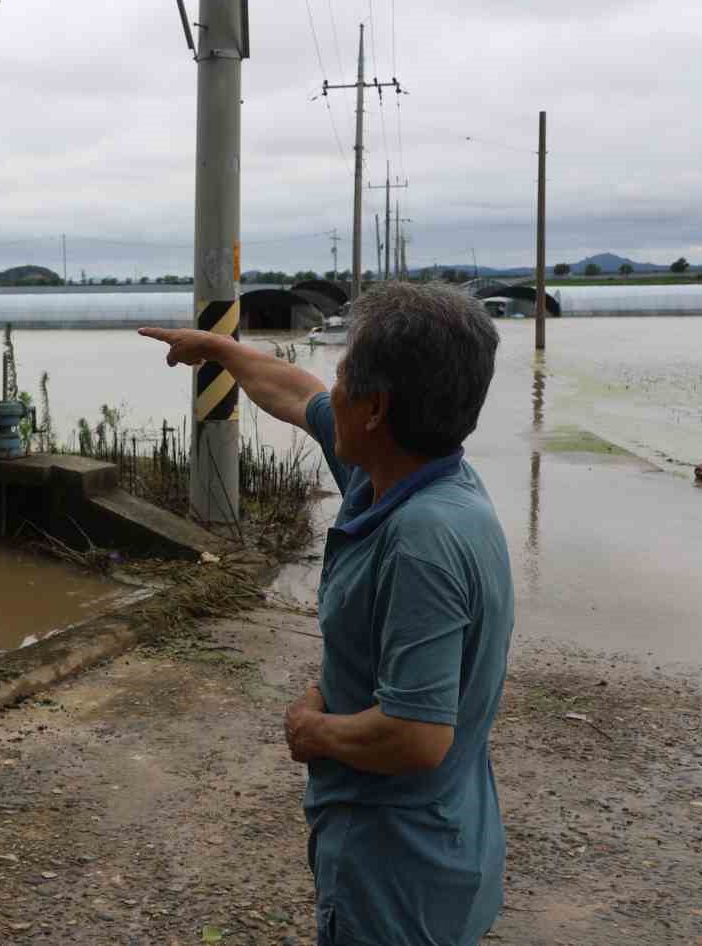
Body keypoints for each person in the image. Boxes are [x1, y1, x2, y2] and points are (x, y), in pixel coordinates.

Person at [140, 283, 513, 946]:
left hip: (398, 869)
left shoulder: (422, 538)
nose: (329, 389)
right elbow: (293, 391)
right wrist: (222, 350)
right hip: (437, 841)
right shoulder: (406, 474)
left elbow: (417, 735)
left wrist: (313, 733)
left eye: (344, 377)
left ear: (375, 409)